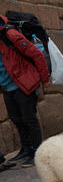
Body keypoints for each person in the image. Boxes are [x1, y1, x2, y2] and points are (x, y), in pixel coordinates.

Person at [0, 14, 50, 168]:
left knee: (29, 119)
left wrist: (44, 78)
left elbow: (36, 54)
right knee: (17, 119)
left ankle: (37, 152)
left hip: (24, 83)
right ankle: (26, 149)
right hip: (7, 86)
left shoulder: (10, 34)